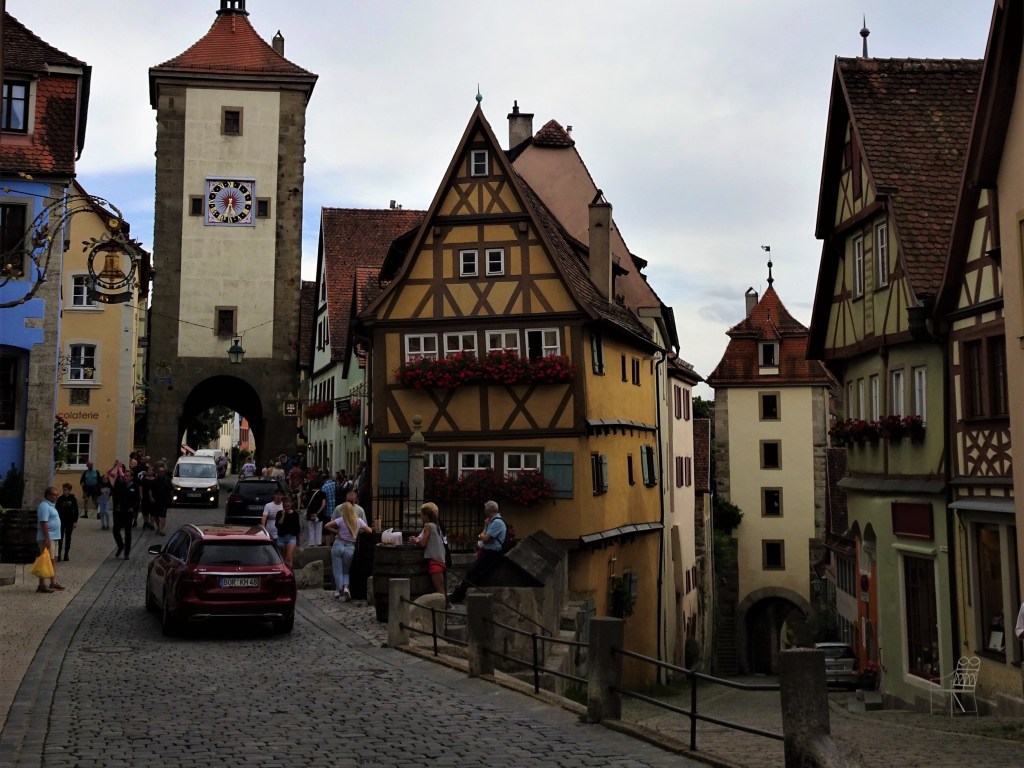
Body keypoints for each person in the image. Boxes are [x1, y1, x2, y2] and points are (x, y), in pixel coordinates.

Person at [448, 500, 506, 605]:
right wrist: (484, 529)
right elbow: (484, 535)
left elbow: (485, 537)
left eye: (485, 509)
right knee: (473, 573)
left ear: (489, 510)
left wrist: (480, 535)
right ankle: (460, 594)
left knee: (472, 572)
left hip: (492, 553)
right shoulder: (493, 521)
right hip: (489, 551)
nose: (484, 511)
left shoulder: (497, 522)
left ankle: (459, 595)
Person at [325, 500, 372, 601]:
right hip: (350, 546)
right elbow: (369, 530)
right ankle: (346, 587)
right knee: (346, 571)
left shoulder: (341, 520)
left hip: (338, 544)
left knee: (337, 570)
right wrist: (358, 530)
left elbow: (326, 525)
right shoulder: (358, 520)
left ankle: (341, 591)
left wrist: (337, 531)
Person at [409, 502, 446, 598]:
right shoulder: (435, 525)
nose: (420, 517)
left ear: (425, 516)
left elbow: (423, 543)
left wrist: (416, 541)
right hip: (440, 559)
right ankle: (446, 606)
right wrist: (417, 539)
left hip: (435, 561)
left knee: (439, 589)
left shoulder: (428, 526)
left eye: (421, 515)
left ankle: (444, 608)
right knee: (440, 587)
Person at [36, 487, 65, 592]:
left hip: (55, 537)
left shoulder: (51, 506)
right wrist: (47, 538)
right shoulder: (44, 506)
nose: (56, 496)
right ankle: (41, 584)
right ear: (48, 495)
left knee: (53, 560)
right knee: (46, 561)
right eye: (54, 494)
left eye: (57, 494)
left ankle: (53, 582)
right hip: (48, 538)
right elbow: (43, 523)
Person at [112, 473, 137, 559]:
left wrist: (133, 507)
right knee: (115, 530)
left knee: (128, 533)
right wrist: (116, 507)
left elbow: (137, 499)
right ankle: (120, 545)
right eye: (125, 476)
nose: (125, 477)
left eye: (127, 476)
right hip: (119, 511)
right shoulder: (120, 485)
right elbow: (115, 496)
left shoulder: (134, 486)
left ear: (131, 477)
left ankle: (127, 553)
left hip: (128, 512)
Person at [55, 483, 79, 561]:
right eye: (64, 490)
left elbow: (76, 510)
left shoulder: (72, 499)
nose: (65, 491)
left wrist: (75, 521)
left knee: (68, 538)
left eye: (66, 490)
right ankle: (59, 554)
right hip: (61, 520)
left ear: (69, 490)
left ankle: (66, 554)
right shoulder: (60, 499)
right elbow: (57, 509)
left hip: (70, 520)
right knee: (60, 538)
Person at [276, 497, 300, 567]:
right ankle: (286, 571)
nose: (287, 508)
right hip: (281, 537)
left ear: (291, 505)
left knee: (289, 557)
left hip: (291, 537)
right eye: (285, 506)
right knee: (282, 558)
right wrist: (283, 515)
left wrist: (298, 538)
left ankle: (289, 573)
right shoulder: (279, 513)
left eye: (288, 506)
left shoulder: (295, 514)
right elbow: (278, 524)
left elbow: (297, 527)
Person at [149, 464, 173, 535]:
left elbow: (171, 490)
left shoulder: (168, 480)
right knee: (156, 515)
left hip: (164, 500)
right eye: (159, 471)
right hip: (156, 500)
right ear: (157, 472)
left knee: (163, 515)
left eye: (162, 471)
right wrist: (151, 497)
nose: (161, 473)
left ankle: (162, 529)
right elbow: (150, 490)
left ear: (164, 472)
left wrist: (172, 498)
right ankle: (158, 527)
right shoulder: (154, 481)